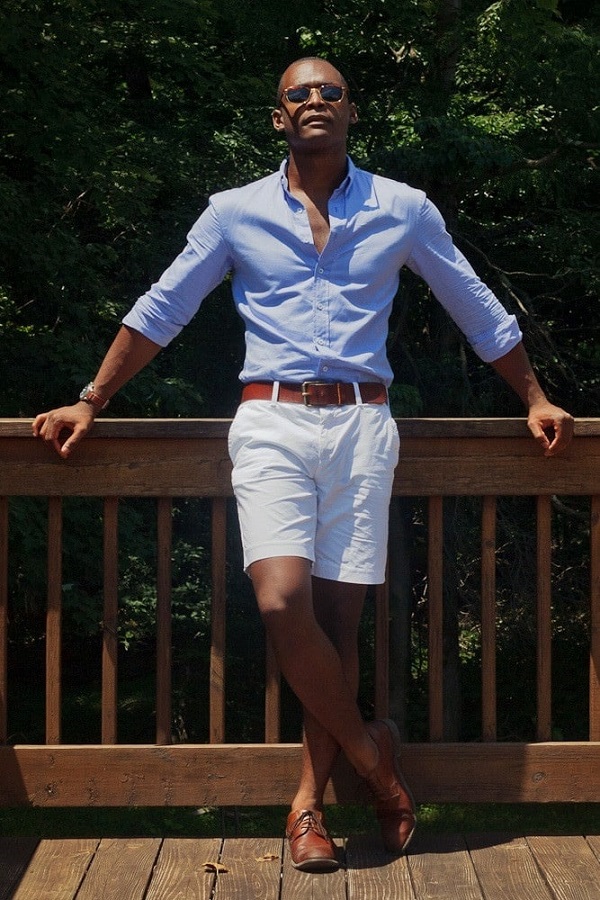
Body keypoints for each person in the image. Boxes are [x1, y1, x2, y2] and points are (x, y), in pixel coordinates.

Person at [33, 56, 574, 871]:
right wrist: (92, 399)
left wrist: (534, 396)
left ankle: (307, 806)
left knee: (338, 622)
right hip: (270, 421)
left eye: (330, 92)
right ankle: (374, 760)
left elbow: (473, 302)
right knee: (283, 601)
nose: (316, 100)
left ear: (351, 112)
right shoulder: (233, 212)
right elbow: (165, 306)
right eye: (299, 93)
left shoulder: (403, 209)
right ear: (279, 117)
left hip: (364, 425)